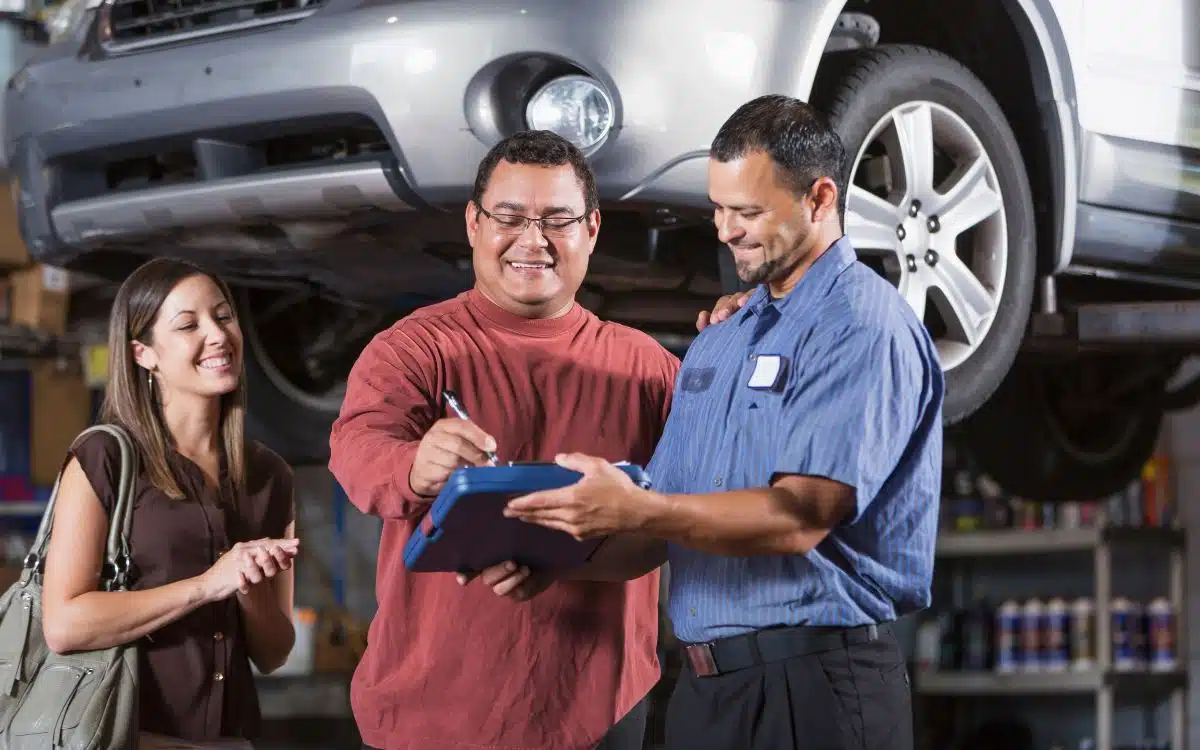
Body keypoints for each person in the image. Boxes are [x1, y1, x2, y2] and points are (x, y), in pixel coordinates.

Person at [503, 94, 945, 750]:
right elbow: (665, 529)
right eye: (717, 208)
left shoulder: (860, 327)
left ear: (820, 199)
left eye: (747, 211)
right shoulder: (720, 340)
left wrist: (630, 509)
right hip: (706, 694)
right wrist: (559, 558)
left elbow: (798, 517)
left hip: (814, 686)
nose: (724, 230)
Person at [327, 130, 681, 750]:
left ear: (592, 230)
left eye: (558, 220)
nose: (532, 240)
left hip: (600, 709)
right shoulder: (416, 348)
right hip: (433, 715)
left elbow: (698, 503)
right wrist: (415, 465)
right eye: (509, 218)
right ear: (473, 223)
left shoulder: (646, 368)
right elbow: (356, 446)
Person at [42, 257, 300, 750]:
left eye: (223, 316)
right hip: (130, 738)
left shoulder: (270, 476)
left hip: (231, 740)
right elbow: (64, 624)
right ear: (144, 354)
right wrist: (206, 585)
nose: (218, 334)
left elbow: (273, 653)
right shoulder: (104, 459)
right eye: (188, 325)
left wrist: (248, 588)